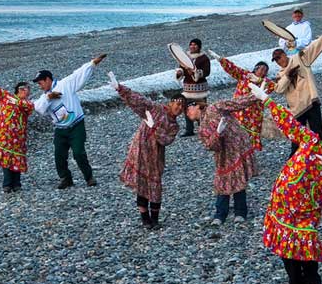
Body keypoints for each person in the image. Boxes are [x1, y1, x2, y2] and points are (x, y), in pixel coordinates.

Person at [246, 80, 322, 284]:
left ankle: (312, 281)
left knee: (306, 242)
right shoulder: (311, 142)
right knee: (285, 243)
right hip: (283, 204)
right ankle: (295, 281)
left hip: (308, 212)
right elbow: (289, 124)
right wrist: (267, 100)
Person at [109, 70, 182, 228]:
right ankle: (145, 219)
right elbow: (138, 100)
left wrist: (154, 127)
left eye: (182, 106)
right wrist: (120, 88)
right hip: (140, 150)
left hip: (155, 157)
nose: (179, 107)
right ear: (170, 102)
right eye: (177, 103)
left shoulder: (174, 125)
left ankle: (155, 219)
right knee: (142, 185)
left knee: (155, 186)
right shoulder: (155, 109)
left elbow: (165, 140)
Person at [33, 54, 106, 189]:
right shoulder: (44, 97)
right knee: (59, 155)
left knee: (78, 152)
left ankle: (89, 177)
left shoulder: (64, 84)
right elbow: (39, 108)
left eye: (40, 82)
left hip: (76, 125)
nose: (39, 86)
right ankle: (66, 178)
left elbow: (78, 74)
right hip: (60, 129)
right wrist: (49, 97)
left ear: (48, 79)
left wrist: (92, 63)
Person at [187, 96, 259, 224]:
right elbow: (211, 146)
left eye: (189, 108)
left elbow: (236, 104)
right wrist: (218, 133)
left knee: (238, 179)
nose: (187, 113)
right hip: (224, 155)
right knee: (223, 182)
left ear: (197, 106)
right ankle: (222, 214)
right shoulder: (202, 128)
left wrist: (255, 97)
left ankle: (237, 213)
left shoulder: (215, 107)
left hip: (238, 148)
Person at [272, 24, 322, 154]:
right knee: (296, 138)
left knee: (318, 132)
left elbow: (313, 48)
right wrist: (288, 76)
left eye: (279, 57)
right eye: (276, 60)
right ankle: (294, 163)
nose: (278, 61)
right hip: (296, 109)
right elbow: (278, 89)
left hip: (311, 102)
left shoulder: (299, 58)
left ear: (285, 54)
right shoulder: (280, 74)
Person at [206, 50, 276, 152]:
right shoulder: (245, 76)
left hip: (254, 115)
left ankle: (249, 155)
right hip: (239, 112)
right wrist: (221, 59)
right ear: (255, 69)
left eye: (265, 70)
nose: (263, 72)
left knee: (251, 139)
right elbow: (233, 69)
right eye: (262, 69)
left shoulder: (265, 83)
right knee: (236, 134)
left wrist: (260, 81)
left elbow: (273, 86)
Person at [175, 38, 210, 137]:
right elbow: (181, 69)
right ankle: (189, 130)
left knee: (201, 108)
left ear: (199, 46)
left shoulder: (204, 58)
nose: (192, 46)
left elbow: (207, 72)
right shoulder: (184, 58)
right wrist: (179, 72)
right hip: (188, 89)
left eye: (195, 45)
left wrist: (195, 72)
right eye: (191, 45)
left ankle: (203, 129)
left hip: (200, 89)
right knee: (187, 109)